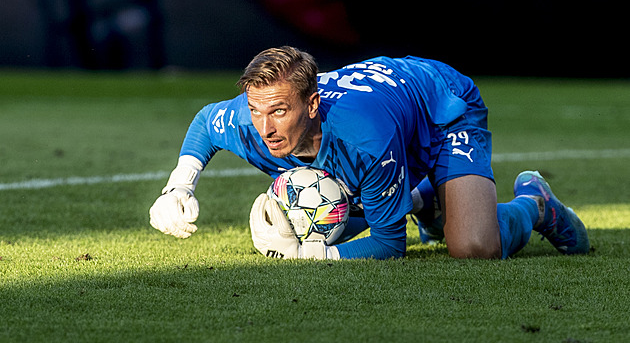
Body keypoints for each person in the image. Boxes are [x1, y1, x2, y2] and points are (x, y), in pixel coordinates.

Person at [149, 46, 590, 260]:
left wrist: (309, 257)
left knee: (473, 247)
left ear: (312, 104)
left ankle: (535, 205)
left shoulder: (364, 138)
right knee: (336, 209)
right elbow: (208, 121)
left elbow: (388, 245)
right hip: (388, 119)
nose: (265, 128)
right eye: (256, 111)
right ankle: (424, 199)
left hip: (440, 105)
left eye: (280, 112)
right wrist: (178, 186)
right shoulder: (252, 119)